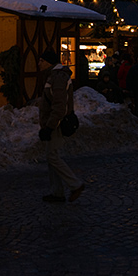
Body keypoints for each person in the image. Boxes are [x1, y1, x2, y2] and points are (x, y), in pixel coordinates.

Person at [37, 49, 85, 203]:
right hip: (53, 122)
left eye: (42, 61)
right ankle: (57, 192)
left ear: (49, 63)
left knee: (52, 156)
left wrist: (50, 126)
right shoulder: (53, 76)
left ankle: (75, 184)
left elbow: (59, 106)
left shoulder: (57, 77)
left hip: (57, 123)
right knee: (51, 156)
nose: (39, 64)